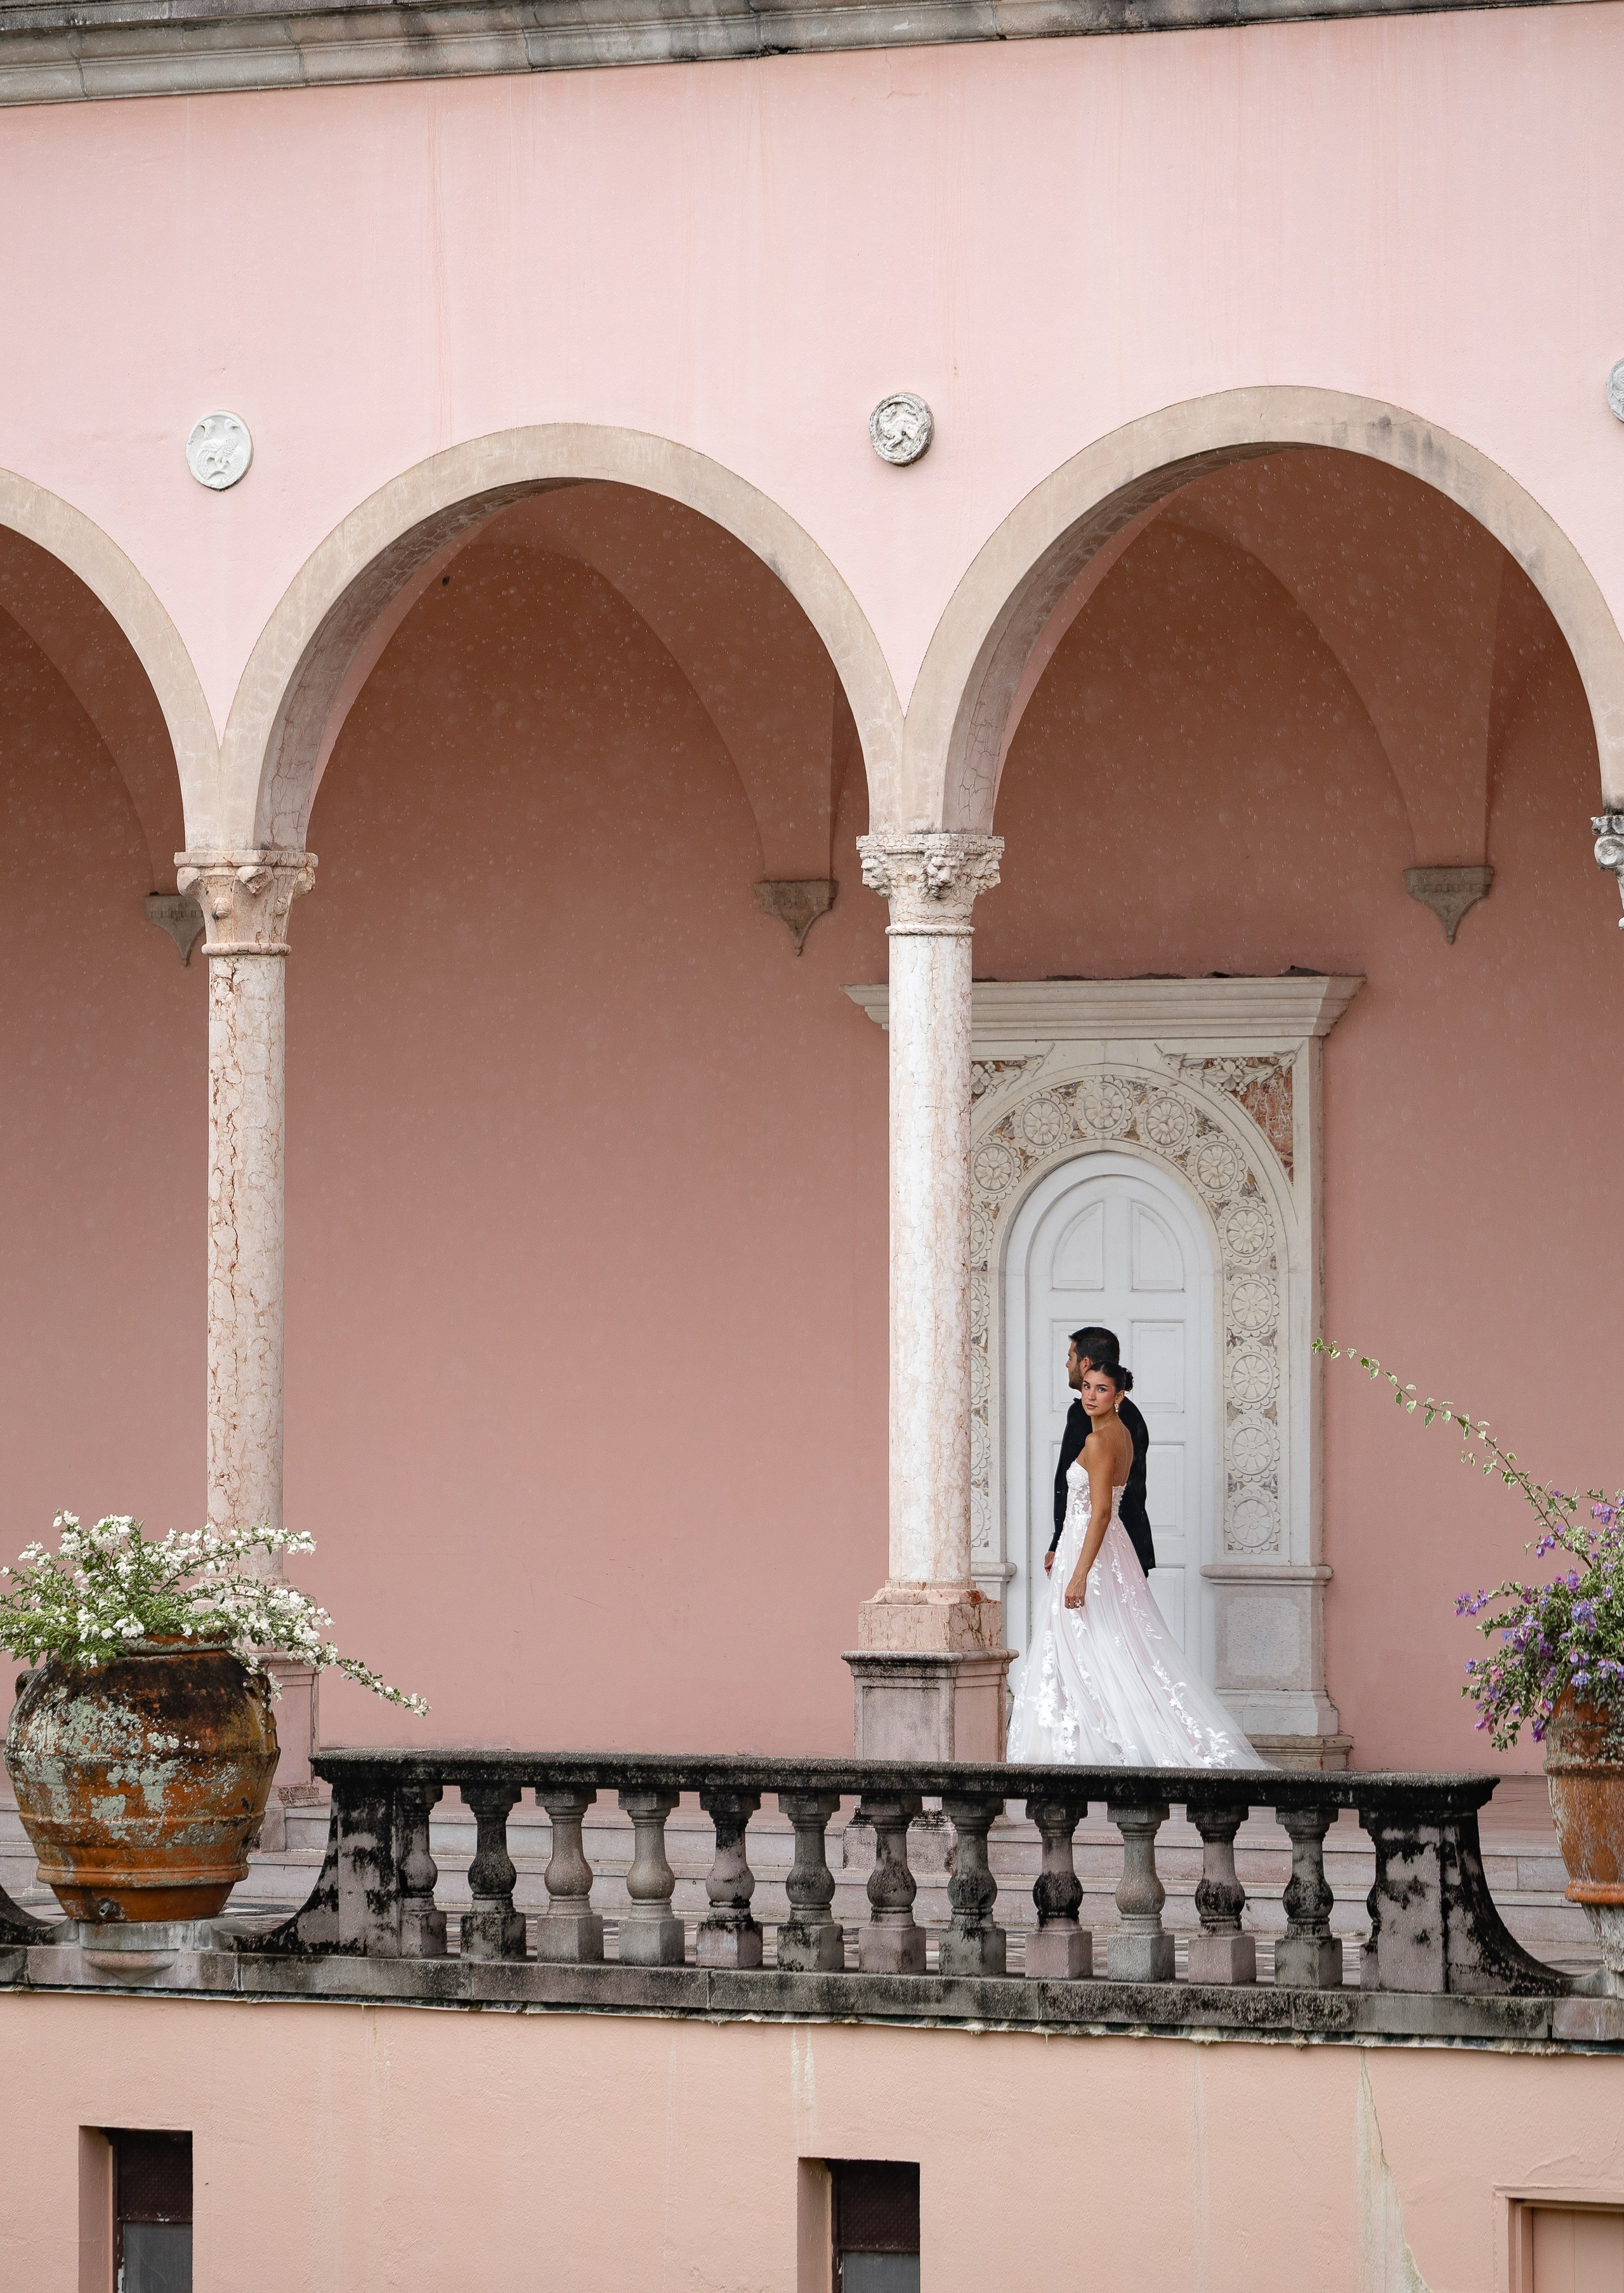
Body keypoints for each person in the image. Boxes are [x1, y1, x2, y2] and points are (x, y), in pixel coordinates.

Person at [1010, 1357, 1267, 1768]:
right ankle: (1097, 1743)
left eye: (1101, 1389)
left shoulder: (1098, 1441)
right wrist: (1061, 1545)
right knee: (1110, 1642)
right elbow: (1098, 1505)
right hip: (1105, 1549)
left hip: (1092, 1552)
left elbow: (1100, 1512)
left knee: (1090, 1645)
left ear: (1121, 1394)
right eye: (1087, 1387)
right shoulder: (1121, 1434)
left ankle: (1095, 1748)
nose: (1090, 1395)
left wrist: (1078, 1575)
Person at [1046, 1326, 1155, 1581]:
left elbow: (1073, 1487)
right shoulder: (1132, 1418)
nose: (1067, 1364)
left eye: (1071, 1357)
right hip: (1129, 1541)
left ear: (1085, 1363)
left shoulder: (1091, 1417)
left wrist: (1057, 1543)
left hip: (1093, 1546)